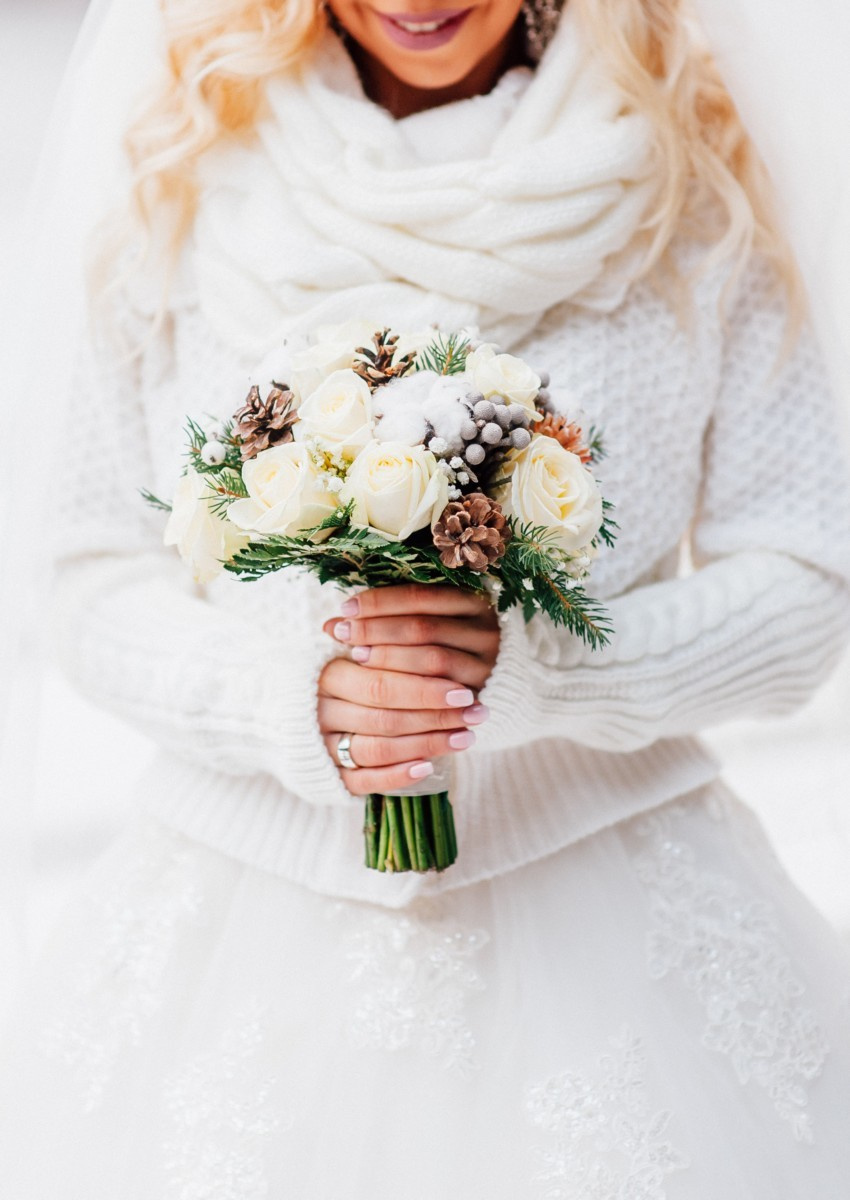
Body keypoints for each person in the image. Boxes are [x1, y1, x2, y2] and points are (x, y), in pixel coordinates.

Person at [1, 0, 849, 1194]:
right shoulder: (176, 168)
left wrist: (545, 673)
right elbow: (86, 569)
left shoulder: (696, 184)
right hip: (233, 940)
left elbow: (803, 580)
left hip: (621, 933)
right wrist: (286, 704)